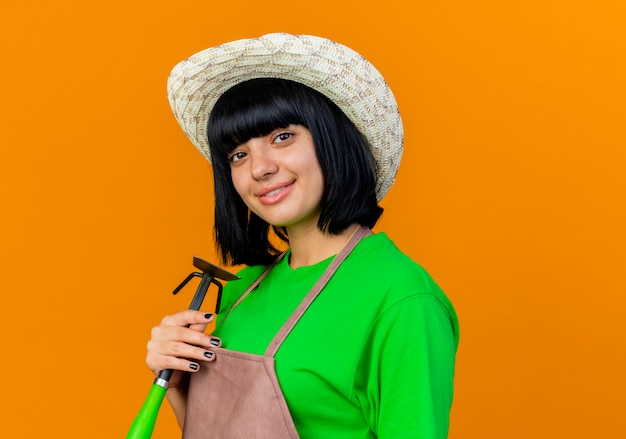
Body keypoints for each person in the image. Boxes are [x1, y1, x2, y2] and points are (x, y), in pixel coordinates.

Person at [146, 33, 459, 438]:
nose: (259, 168)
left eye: (282, 137)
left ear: (333, 142)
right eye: (238, 154)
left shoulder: (402, 298)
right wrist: (174, 382)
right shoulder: (242, 289)